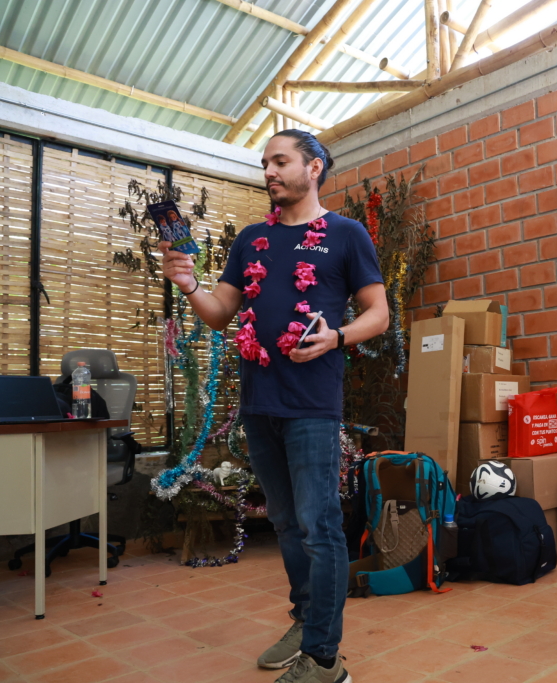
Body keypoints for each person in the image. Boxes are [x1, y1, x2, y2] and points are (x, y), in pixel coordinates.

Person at [161, 130, 388, 683]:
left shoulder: (346, 234)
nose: (269, 171)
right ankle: (306, 620)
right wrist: (189, 284)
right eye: (265, 163)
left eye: (280, 161)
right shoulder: (250, 240)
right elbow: (221, 313)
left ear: (314, 168)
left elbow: (379, 313)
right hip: (258, 402)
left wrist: (337, 337)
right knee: (285, 523)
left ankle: (325, 659)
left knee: (319, 526)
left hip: (312, 404)